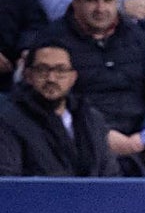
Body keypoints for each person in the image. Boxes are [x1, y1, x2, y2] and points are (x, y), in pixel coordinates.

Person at [39, 0, 145, 159]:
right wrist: (98, 136)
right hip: (78, 147)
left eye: (108, 0)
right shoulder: (52, 41)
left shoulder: (135, 36)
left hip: (142, 145)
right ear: (75, 1)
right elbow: (46, 104)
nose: (101, 8)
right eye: (91, 0)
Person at [0, 41, 118, 177]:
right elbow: (9, 181)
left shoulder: (90, 118)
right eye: (42, 70)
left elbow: (109, 174)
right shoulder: (8, 120)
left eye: (60, 70)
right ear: (28, 76)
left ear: (73, 77)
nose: (51, 78)